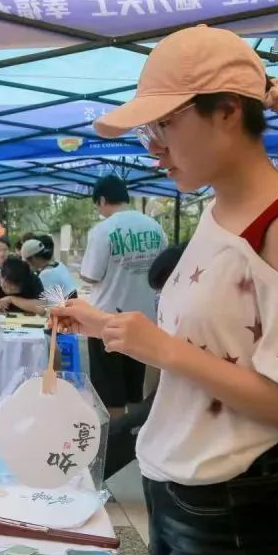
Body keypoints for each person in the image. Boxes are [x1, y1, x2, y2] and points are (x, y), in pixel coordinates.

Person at [53, 25, 278, 555]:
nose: (154, 148)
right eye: (148, 131)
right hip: (172, 485)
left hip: (232, 508)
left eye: (164, 125)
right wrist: (103, 323)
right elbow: (208, 343)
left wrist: (163, 349)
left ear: (228, 111)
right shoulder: (217, 210)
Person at [102, 241, 188, 480]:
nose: (164, 297)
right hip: (167, 392)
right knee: (131, 426)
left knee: (129, 428)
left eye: (168, 288)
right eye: (160, 292)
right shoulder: (168, 308)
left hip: (189, 399)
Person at [80, 174, 166, 410]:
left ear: (102, 199)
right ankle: (134, 431)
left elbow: (90, 275)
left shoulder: (103, 230)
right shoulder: (155, 227)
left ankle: (116, 434)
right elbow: (163, 272)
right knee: (135, 388)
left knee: (109, 393)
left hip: (106, 321)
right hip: (143, 320)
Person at [20, 234, 77, 298]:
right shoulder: (59, 265)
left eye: (26, 261)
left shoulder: (45, 275)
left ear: (33, 258)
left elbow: (42, 303)